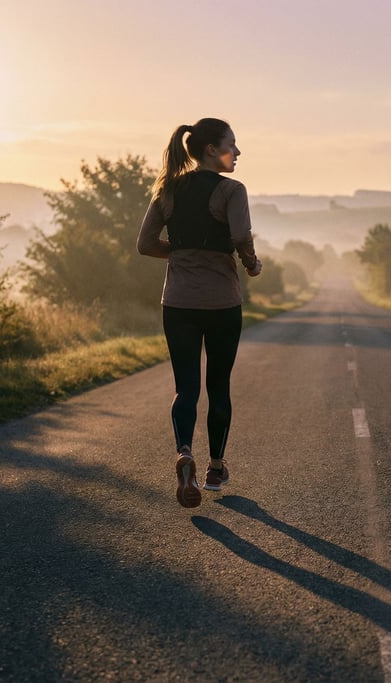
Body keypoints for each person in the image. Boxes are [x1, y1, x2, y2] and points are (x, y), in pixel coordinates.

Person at [137, 118, 262, 508]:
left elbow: (144, 244)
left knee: (185, 386)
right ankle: (215, 468)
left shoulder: (168, 189)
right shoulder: (231, 190)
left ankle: (185, 453)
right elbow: (241, 235)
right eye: (232, 145)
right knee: (218, 386)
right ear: (211, 149)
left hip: (177, 302)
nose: (237, 153)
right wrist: (251, 264)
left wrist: (180, 252)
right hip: (222, 302)